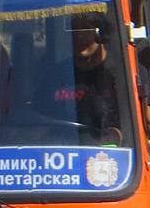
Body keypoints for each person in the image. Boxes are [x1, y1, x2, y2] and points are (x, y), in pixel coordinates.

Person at [46, 11, 122, 141]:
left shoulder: (123, 73)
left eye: (85, 28)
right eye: (73, 28)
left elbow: (142, 126)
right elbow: (39, 124)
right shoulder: (53, 75)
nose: (79, 35)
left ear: (101, 33)